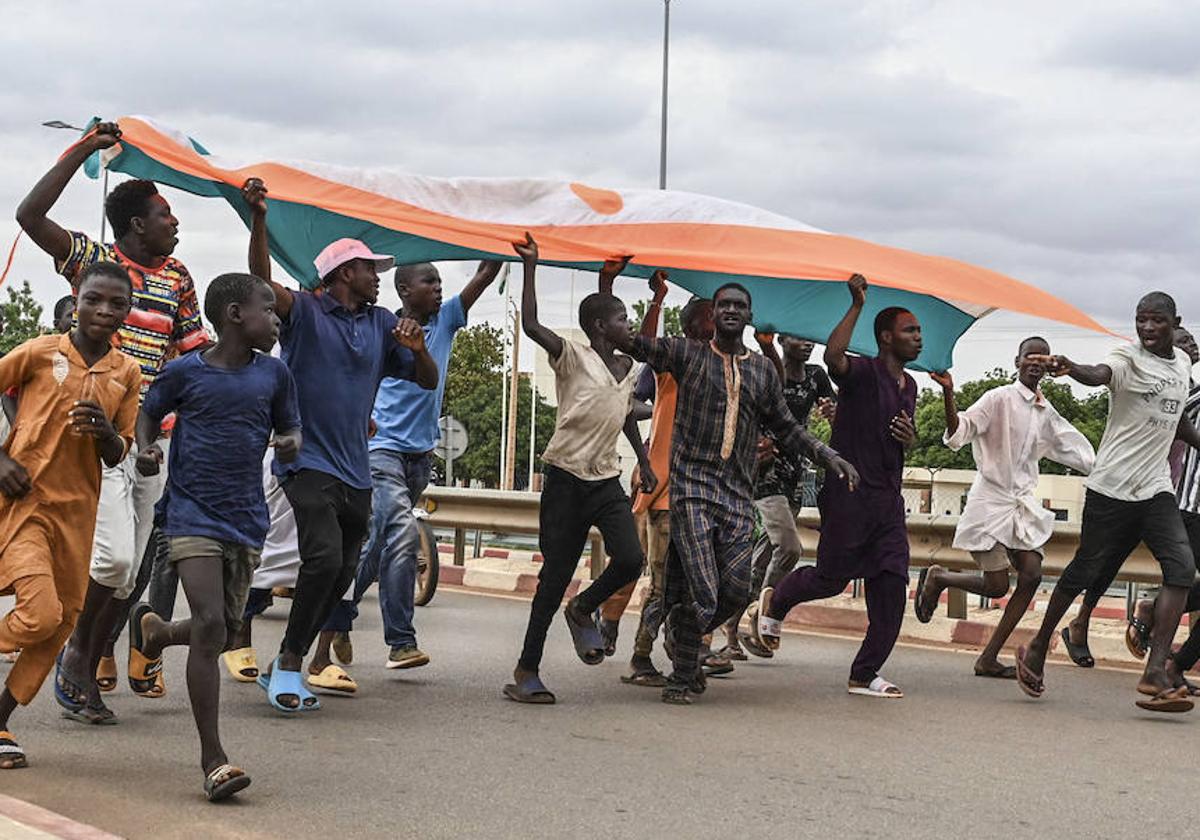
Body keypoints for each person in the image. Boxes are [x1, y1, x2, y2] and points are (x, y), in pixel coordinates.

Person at [16, 120, 210, 712]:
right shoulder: (95, 263)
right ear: (135, 225)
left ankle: (87, 654)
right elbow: (29, 215)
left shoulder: (178, 277)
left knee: (130, 574)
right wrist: (84, 150)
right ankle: (73, 651)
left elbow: (194, 357)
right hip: (92, 439)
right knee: (113, 558)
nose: (175, 222)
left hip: (153, 442)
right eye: (165, 214)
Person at [238, 178, 437, 712]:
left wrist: (417, 349)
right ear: (345, 273)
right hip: (304, 460)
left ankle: (290, 659)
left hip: (357, 470)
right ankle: (287, 664)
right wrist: (259, 217)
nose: (379, 278)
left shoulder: (382, 323)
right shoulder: (303, 311)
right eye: (371, 269)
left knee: (344, 573)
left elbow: (426, 379)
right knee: (322, 559)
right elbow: (260, 280)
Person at [629, 275, 858, 704]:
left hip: (736, 495)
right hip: (691, 489)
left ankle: (682, 634)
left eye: (739, 306)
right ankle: (682, 672)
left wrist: (828, 456)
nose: (731, 311)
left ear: (749, 316)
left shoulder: (760, 372)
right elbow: (640, 346)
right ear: (713, 314)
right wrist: (623, 296)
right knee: (703, 586)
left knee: (734, 589)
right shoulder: (688, 354)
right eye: (724, 305)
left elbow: (787, 427)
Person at [125, 273, 301, 799]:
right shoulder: (185, 372)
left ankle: (155, 634)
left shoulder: (275, 375)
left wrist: (290, 442)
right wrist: (146, 447)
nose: (275, 319)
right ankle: (213, 760)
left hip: (245, 519)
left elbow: (291, 426)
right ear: (233, 316)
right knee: (208, 624)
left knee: (222, 630)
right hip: (191, 515)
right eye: (267, 310)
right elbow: (147, 413)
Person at [309, 256, 502, 684]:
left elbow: (486, 272)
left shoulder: (447, 319)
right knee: (400, 534)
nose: (437, 288)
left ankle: (336, 623)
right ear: (403, 291)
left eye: (439, 281)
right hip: (381, 451)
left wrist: (500, 234)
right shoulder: (382, 330)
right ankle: (401, 642)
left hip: (420, 457)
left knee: (373, 550)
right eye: (428, 281)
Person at [1014, 292, 1200, 713]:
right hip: (1112, 486)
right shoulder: (1126, 358)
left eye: (1157, 321)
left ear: (1176, 322)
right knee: (1086, 569)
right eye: (1141, 321)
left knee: (1181, 570)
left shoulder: (1183, 365)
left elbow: (1178, 418)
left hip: (1154, 488)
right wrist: (1070, 368)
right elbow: (1098, 373)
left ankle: (1154, 673)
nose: (1148, 329)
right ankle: (1040, 644)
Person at [503, 233, 656, 704]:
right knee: (554, 577)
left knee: (631, 559)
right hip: (566, 479)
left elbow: (625, 414)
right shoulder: (573, 357)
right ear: (597, 326)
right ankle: (527, 669)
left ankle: (583, 608)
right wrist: (532, 267)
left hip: (606, 478)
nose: (629, 326)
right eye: (621, 319)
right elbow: (529, 323)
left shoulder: (629, 367)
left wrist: (645, 461)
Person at [749, 274, 917, 699]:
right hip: (848, 494)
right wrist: (856, 305)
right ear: (885, 337)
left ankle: (865, 673)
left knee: (893, 584)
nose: (918, 338)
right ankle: (778, 601)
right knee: (831, 579)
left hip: (888, 503)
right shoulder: (862, 372)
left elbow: (902, 439)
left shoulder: (910, 386)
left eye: (918, 332)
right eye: (910, 331)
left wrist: (909, 438)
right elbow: (834, 355)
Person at [0, 262, 141, 766]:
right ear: (76, 299)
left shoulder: (127, 372)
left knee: (59, 627)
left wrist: (105, 430)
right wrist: (1, 458)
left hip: (79, 514)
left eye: (117, 304)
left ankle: (0, 723)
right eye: (95, 300)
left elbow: (119, 451)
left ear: (129, 310)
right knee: (40, 615)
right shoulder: (41, 351)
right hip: (26, 505)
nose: (104, 312)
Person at [913, 338, 1095, 678]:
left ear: (1048, 366)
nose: (1036, 363)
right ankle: (939, 577)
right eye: (1030, 356)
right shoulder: (998, 399)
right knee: (997, 586)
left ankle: (988, 658)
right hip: (990, 503)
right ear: (1017, 361)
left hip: (1021, 505)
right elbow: (960, 431)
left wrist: (1109, 472)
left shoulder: (1046, 413)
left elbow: (1076, 449)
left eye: (1042, 358)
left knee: (1032, 575)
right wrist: (948, 393)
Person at [1059, 325, 1198, 668]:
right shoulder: (1162, 386)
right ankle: (1079, 623)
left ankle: (1163, 663)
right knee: (1104, 561)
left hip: (1162, 491)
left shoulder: (1186, 386)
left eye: (1191, 340)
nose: (1190, 345)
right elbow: (1102, 375)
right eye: (1183, 341)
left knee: (1174, 570)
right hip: (1128, 487)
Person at [603, 282, 714, 687]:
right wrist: (658, 300)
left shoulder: (728, 367)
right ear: (692, 329)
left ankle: (684, 651)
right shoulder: (675, 363)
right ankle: (640, 655)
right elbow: (643, 344)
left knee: (703, 583)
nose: (720, 323)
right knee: (665, 582)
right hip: (669, 492)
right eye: (711, 318)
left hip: (708, 495)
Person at [726, 334, 836, 660]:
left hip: (796, 474)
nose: (807, 343)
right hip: (764, 471)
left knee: (761, 559)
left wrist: (833, 411)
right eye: (797, 337)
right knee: (789, 547)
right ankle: (765, 614)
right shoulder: (764, 370)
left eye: (809, 338)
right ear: (781, 339)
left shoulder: (816, 375)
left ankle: (733, 631)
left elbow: (834, 407)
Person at [1114, 326, 1200, 694]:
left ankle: (1173, 661)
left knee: (1183, 587)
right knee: (1181, 582)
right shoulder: (1185, 393)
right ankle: (1165, 666)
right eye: (1184, 341)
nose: (1192, 344)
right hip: (1190, 505)